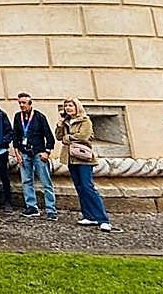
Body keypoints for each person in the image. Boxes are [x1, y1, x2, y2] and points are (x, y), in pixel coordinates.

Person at [56, 97, 112, 232]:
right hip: (71, 158)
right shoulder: (66, 122)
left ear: (77, 107)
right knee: (79, 187)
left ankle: (103, 219)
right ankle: (89, 215)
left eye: (71, 105)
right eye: (66, 106)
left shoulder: (85, 120)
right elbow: (58, 137)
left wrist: (67, 138)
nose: (68, 108)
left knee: (88, 187)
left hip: (83, 158)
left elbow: (83, 136)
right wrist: (59, 125)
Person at [11, 92, 57, 219]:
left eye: (24, 103)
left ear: (30, 104)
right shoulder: (17, 117)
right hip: (24, 153)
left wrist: (47, 152)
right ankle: (31, 207)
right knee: (26, 181)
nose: (21, 105)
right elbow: (15, 135)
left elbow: (49, 136)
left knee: (45, 181)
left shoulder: (39, 117)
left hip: (38, 153)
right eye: (20, 103)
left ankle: (51, 209)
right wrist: (17, 153)